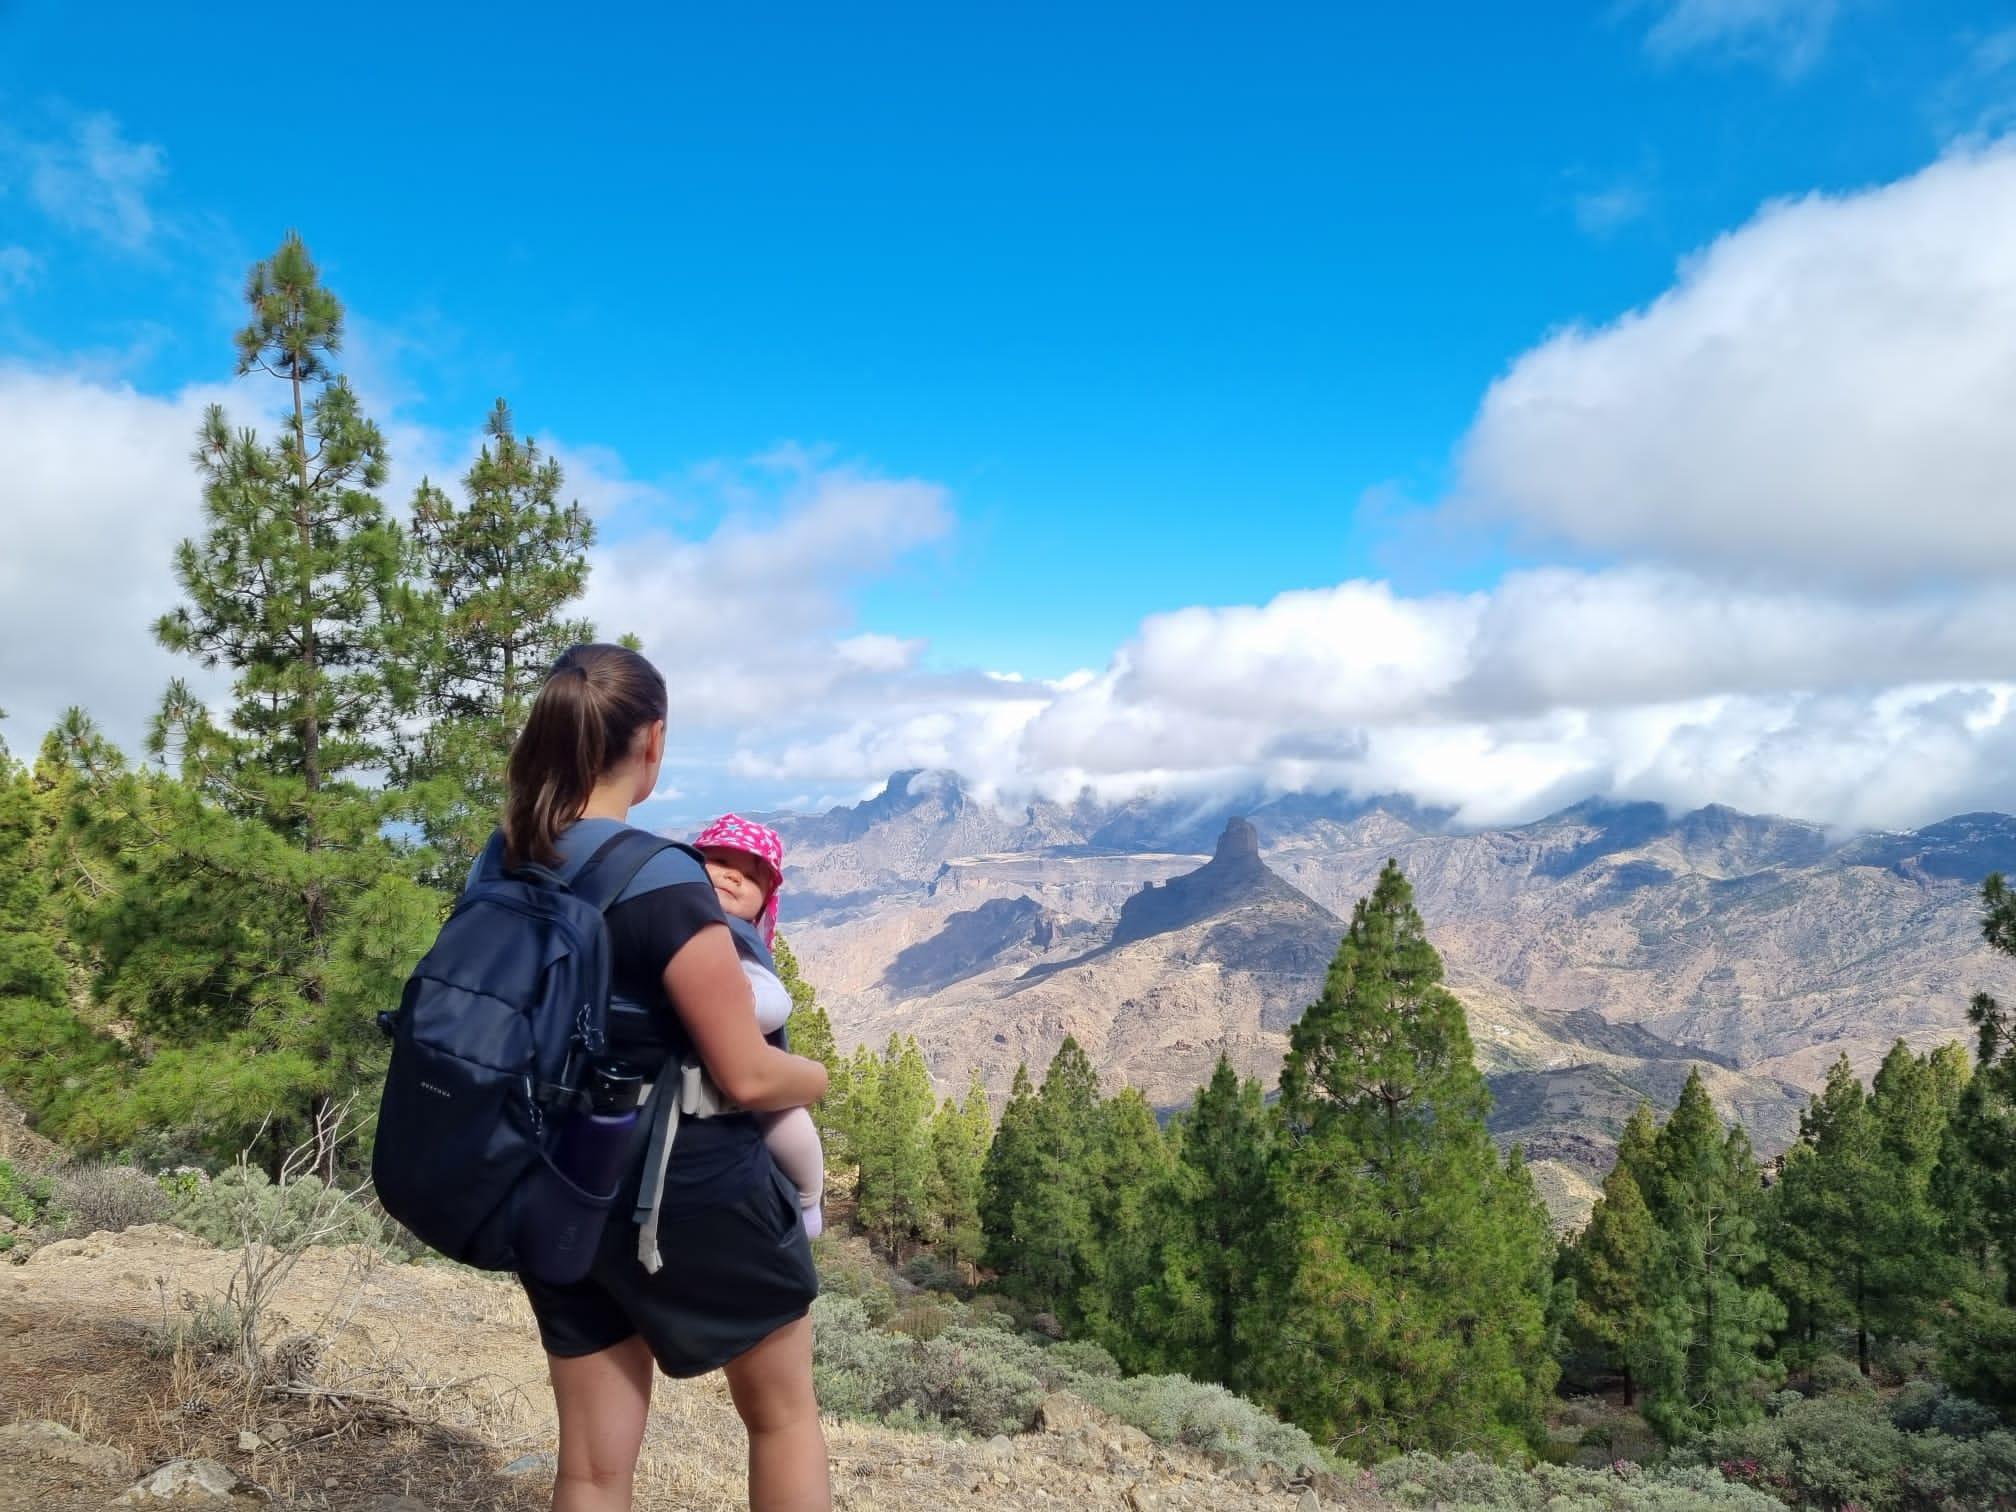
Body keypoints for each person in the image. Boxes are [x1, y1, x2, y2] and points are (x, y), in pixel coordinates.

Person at [495, 643, 831, 1512]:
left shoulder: (505, 857)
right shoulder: (661, 879)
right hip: (684, 1189)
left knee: (591, 1470)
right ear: (653, 741)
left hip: (553, 1183)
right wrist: (818, 1078)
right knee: (782, 1420)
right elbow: (748, 1075)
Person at [694, 813, 826, 1239]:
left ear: (764, 902)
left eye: (752, 877)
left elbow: (774, 1004)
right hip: (689, 1082)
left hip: (744, 1070)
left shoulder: (736, 938)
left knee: (788, 1120)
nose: (734, 876)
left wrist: (726, 1003)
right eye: (720, 861)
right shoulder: (675, 924)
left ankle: (808, 1201)